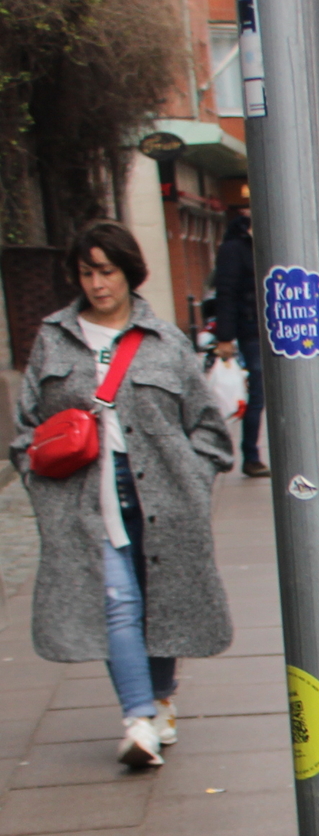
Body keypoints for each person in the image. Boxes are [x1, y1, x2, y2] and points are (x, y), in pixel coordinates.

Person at [9, 220, 235, 769]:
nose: (96, 283)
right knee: (118, 602)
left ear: (128, 272)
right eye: (86, 272)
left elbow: (209, 427)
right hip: (83, 497)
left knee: (163, 601)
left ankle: (160, 699)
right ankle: (137, 720)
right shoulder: (53, 338)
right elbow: (25, 429)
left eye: (106, 271)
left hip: (162, 495)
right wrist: (40, 486)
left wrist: (195, 476)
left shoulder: (166, 342)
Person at [208, 206, 268, 479]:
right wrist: (225, 337)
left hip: (275, 332)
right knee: (257, 395)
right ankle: (251, 456)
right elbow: (227, 293)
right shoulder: (235, 249)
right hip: (251, 332)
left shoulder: (272, 243)